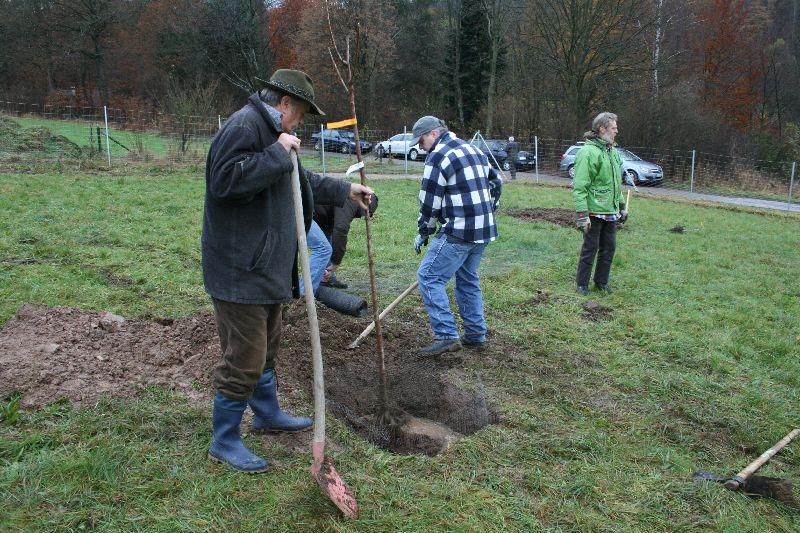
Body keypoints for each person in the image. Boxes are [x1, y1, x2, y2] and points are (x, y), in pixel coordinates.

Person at [202, 69, 374, 473]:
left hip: (268, 267)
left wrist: (344, 190)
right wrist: (278, 153)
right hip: (239, 269)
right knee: (244, 357)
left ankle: (267, 414)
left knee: (267, 348)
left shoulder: (273, 134)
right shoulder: (245, 126)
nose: (301, 124)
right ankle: (223, 439)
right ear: (284, 105)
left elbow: (299, 177)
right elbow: (223, 182)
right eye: (301, 116)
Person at [410, 116, 502, 356]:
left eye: (420, 141)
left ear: (432, 134)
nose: (420, 148)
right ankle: (475, 334)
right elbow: (497, 181)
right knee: (467, 277)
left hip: (459, 231)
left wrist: (424, 231)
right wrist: (487, 210)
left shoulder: (438, 155)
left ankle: (446, 335)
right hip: (482, 230)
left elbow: (430, 202)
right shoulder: (473, 149)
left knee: (429, 276)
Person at [572, 111, 628, 296]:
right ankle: (582, 285)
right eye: (613, 128)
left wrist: (621, 206)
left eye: (616, 128)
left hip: (610, 211)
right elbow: (580, 187)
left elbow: (615, 184)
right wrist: (582, 215)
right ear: (602, 129)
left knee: (609, 248)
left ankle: (601, 283)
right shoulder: (588, 153)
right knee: (590, 248)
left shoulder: (612, 152)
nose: (616, 131)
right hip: (594, 212)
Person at [315, 194, 379, 289]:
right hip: (309, 213)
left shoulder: (354, 198)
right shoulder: (350, 201)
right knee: (324, 249)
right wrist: (336, 262)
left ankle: (328, 279)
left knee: (329, 244)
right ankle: (307, 291)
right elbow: (341, 229)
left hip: (323, 218)